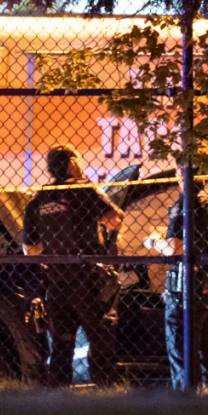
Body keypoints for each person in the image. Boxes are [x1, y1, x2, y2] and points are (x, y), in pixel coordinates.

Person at [22, 144, 124, 387]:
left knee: (61, 343)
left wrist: (50, 260)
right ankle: (106, 390)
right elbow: (114, 219)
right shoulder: (83, 190)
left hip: (57, 282)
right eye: (78, 160)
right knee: (100, 338)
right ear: (71, 163)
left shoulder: (39, 199)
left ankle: (58, 396)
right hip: (88, 278)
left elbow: (30, 248)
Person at [144, 164, 208, 389]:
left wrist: (153, 241)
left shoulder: (182, 205)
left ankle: (186, 401)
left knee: (181, 352)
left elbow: (174, 248)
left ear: (181, 175)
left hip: (184, 289)